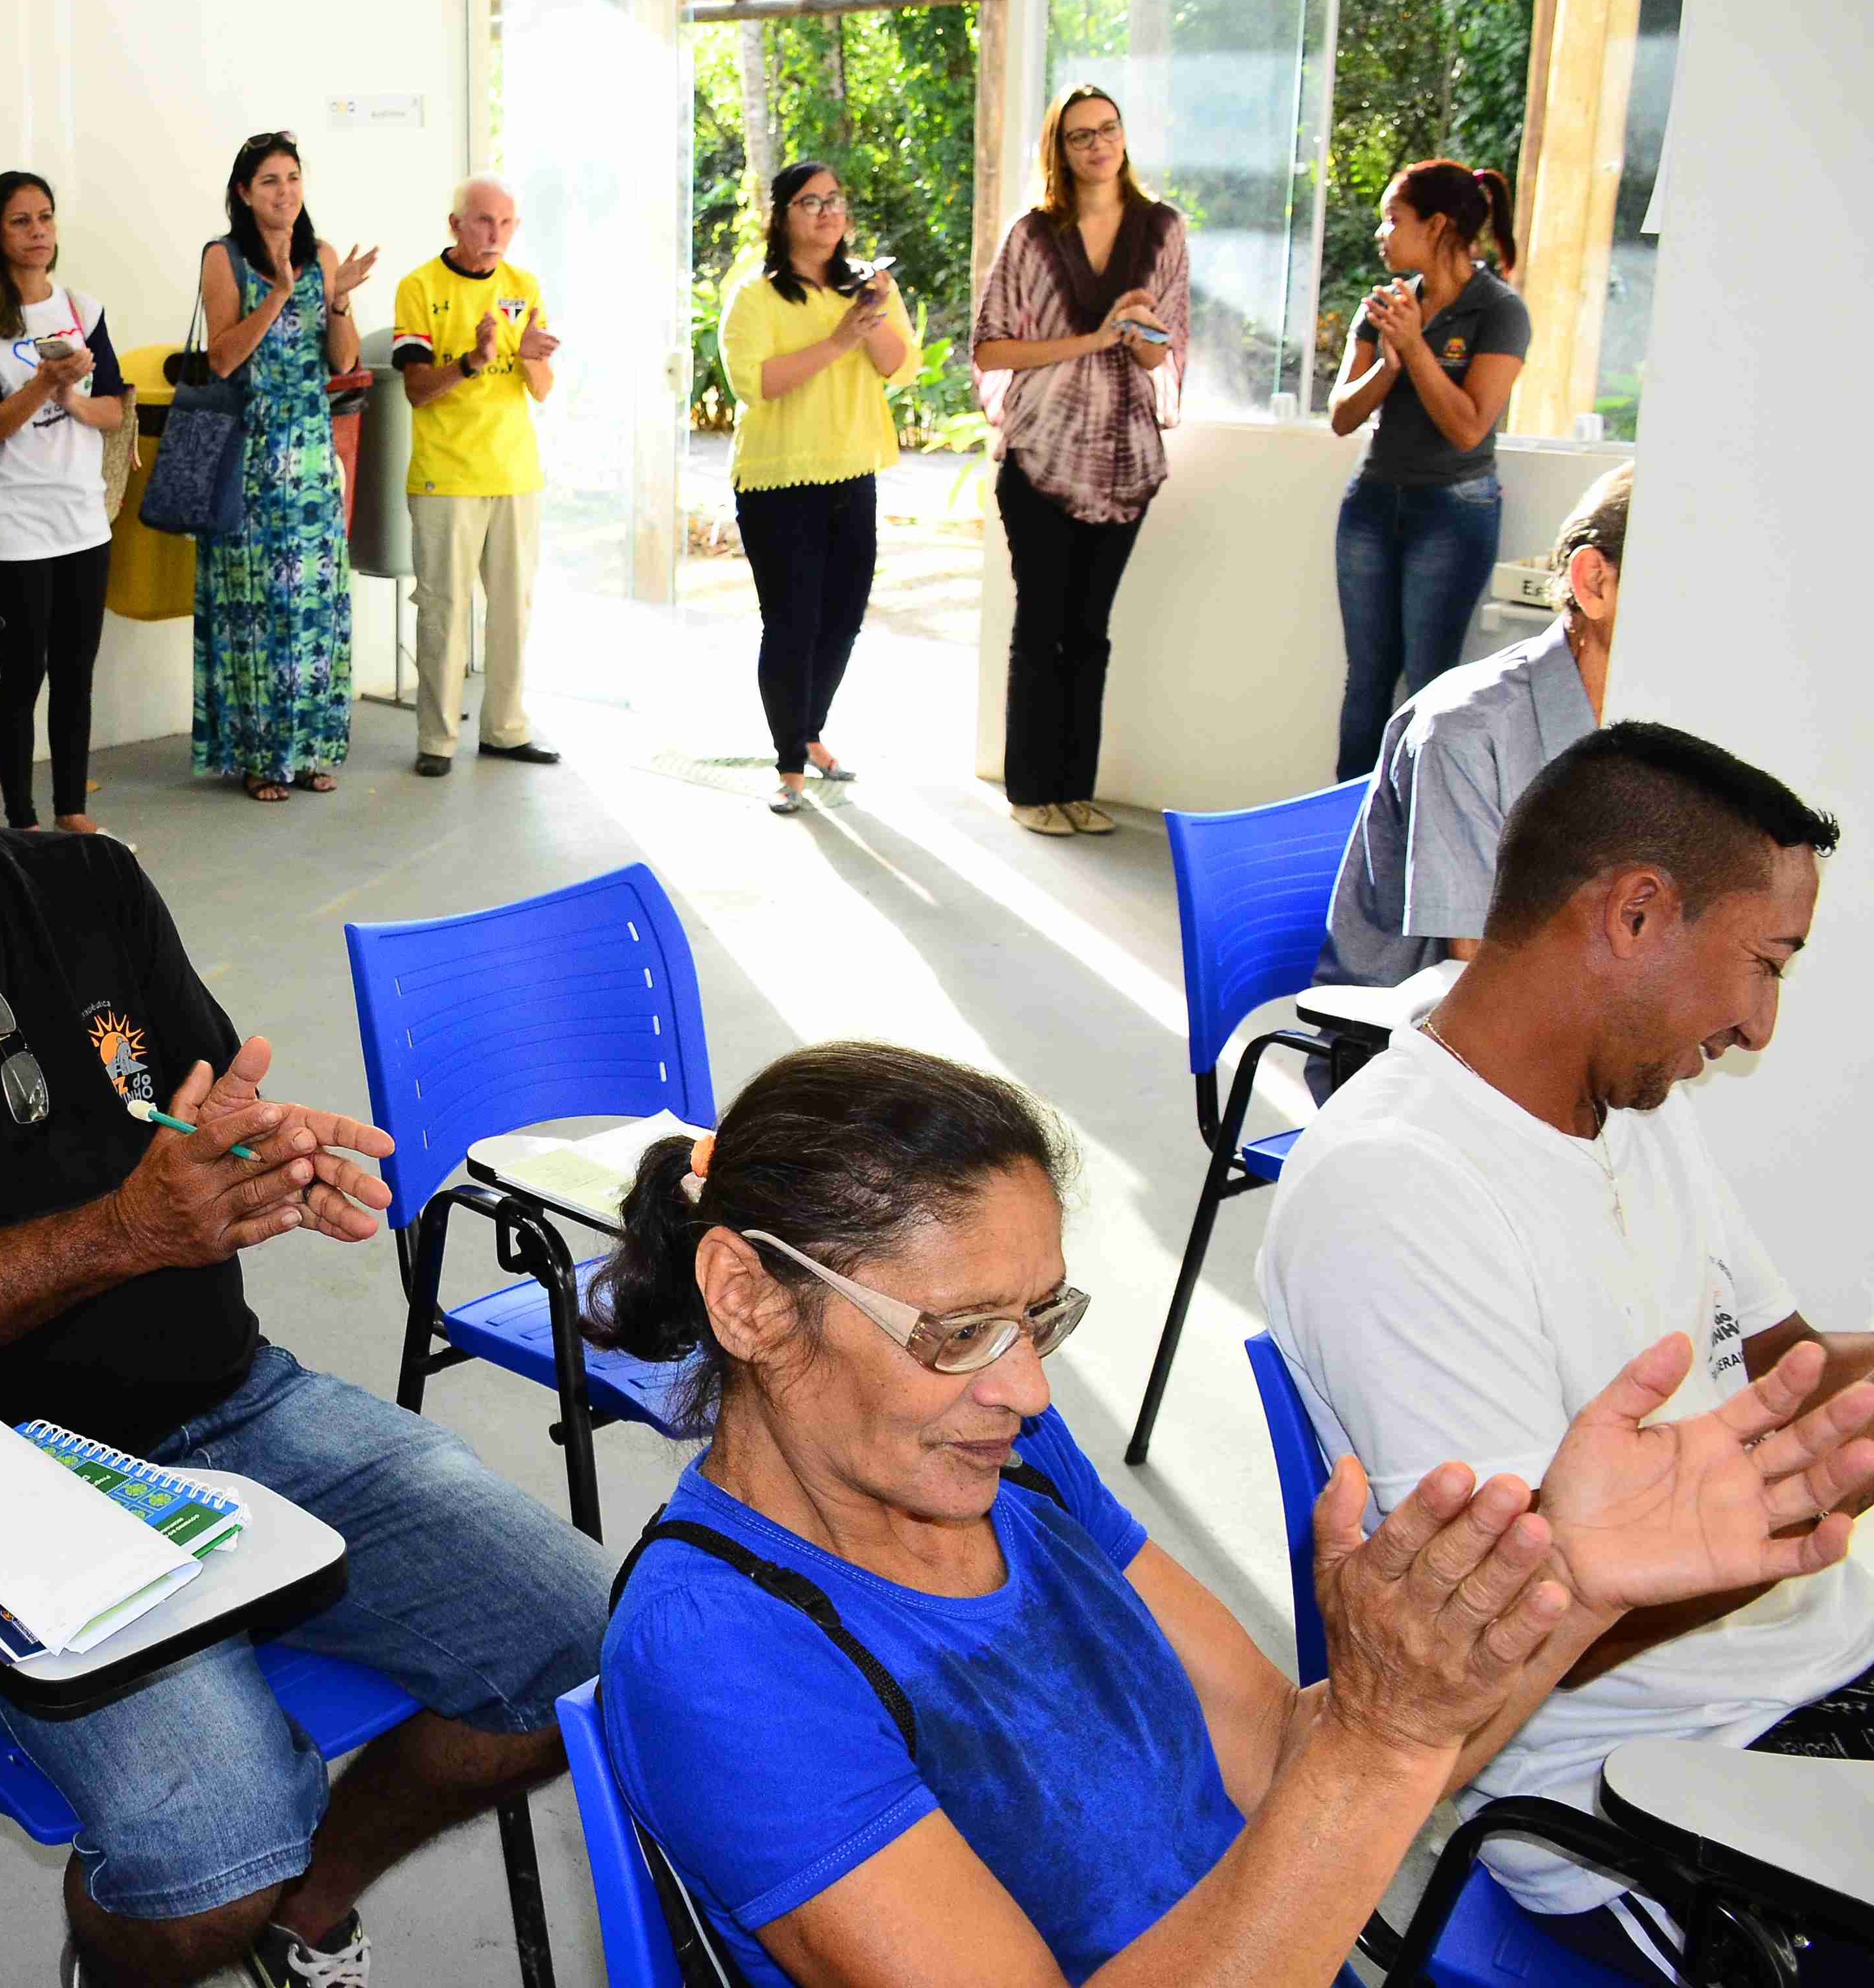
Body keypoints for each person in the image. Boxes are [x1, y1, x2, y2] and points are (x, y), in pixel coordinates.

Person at [0, 560, 606, 1988]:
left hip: (234, 1404)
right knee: (214, 1852)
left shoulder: (88, 883)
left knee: (589, 1646)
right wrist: (127, 1231)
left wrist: (258, 1154)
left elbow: (187, 1110)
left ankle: (313, 1906)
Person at [589, 1039, 1874, 1988]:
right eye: (960, 1331)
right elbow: (1348, 1769)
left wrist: (1575, 1578)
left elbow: (1281, 1759)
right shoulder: (719, 1650)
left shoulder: (1012, 1471)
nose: (1029, 1388)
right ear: (750, 1302)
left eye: (1039, 1318)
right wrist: (1377, 1740)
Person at [1264, 722, 1874, 1978]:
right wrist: (1788, 1493)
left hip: (1814, 1668)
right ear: (1637, 913)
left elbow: (1791, 1366)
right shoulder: (1393, 1190)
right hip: (1634, 1784)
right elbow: (1503, 1630)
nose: (1757, 1023)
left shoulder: (1630, 1095)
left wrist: (1811, 1454)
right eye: (1762, 964)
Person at [1319, 461, 1630, 989]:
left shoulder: (1642, 721)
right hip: (1424, 1037)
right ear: (1594, 581)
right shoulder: (1463, 733)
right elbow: (1480, 976)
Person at [972, 84, 1187, 838]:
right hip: (1039, 455)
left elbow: (1167, 351)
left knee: (1089, 633)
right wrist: (1093, 339)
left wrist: (1137, 337)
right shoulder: (1032, 235)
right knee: (1041, 625)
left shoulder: (1162, 229)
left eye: (1107, 130)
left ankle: (1074, 788)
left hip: (1124, 461)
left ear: (1123, 139)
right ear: (1057, 150)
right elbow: (991, 346)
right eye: (1078, 136)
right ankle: (1031, 791)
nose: (1096, 145)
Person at [717, 161, 918, 817]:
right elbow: (756, 382)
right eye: (811, 202)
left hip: (851, 474)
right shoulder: (754, 296)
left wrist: (873, 314)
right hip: (777, 484)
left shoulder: (868, 288)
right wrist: (836, 341)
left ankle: (808, 732)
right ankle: (787, 765)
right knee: (790, 623)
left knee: (841, 620)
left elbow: (900, 368)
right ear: (781, 216)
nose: (828, 213)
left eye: (835, 200)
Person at [1328, 159, 1534, 780]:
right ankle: (1345, 839)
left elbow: (1469, 425)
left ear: (1439, 225)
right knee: (1366, 680)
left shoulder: (1500, 312)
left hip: (1453, 513)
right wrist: (1390, 363)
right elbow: (1341, 415)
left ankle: (1414, 838)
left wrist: (1415, 349)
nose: (1380, 233)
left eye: (1393, 219)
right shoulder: (1385, 308)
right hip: (1371, 505)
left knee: (1430, 685)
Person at [193, 131, 378, 804]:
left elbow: (340, 359)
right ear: (244, 193)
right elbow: (220, 360)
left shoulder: (322, 256)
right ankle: (257, 756)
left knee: (311, 609)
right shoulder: (224, 258)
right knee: (255, 610)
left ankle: (306, 752)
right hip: (250, 454)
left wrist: (335, 299)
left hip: (308, 456)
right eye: (270, 180)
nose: (285, 192)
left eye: (293, 177)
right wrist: (274, 295)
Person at [0, 170, 131, 835]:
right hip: (13, 528)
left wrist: (73, 399)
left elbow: (114, 408)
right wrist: (40, 385)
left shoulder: (83, 309)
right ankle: (20, 820)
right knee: (23, 677)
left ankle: (72, 811)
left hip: (82, 518)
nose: (37, 233)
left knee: (76, 674)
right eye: (21, 221)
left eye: (45, 217)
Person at [390, 173, 564, 780]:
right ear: (455, 224)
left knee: (513, 606)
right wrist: (472, 362)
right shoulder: (419, 288)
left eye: (507, 223)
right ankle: (437, 741)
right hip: (445, 478)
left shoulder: (524, 287)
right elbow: (416, 390)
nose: (496, 235)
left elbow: (541, 390)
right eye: (485, 221)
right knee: (443, 609)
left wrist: (533, 358)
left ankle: (506, 730)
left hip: (515, 472)